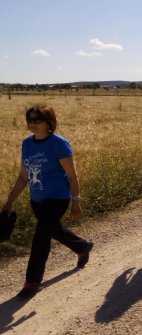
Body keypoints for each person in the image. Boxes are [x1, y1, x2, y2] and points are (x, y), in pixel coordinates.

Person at [2, 106, 93, 299]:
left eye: (38, 120)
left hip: (57, 198)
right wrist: (9, 201)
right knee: (54, 230)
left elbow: (72, 175)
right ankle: (82, 246)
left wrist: (76, 202)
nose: (33, 123)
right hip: (37, 200)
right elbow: (23, 176)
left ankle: (32, 281)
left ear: (49, 122)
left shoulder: (59, 144)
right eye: (30, 120)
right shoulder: (27, 144)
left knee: (40, 238)